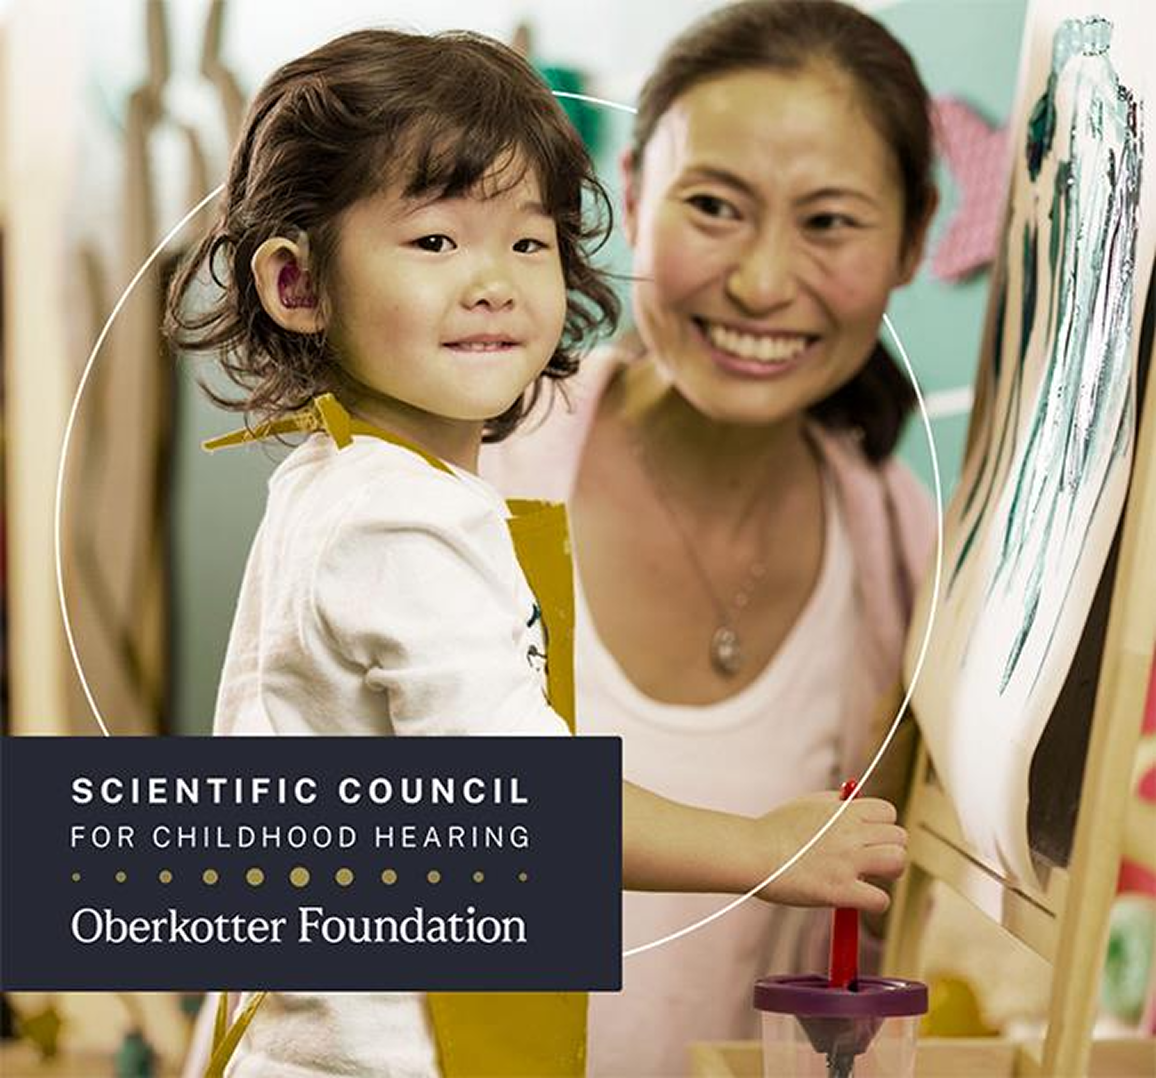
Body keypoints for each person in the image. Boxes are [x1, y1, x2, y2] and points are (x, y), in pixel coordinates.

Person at [167, 26, 907, 1078]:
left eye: (527, 242)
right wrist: (769, 847)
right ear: (298, 286)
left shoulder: (352, 483)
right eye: (434, 243)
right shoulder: (398, 521)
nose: (494, 282)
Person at [481, 2, 940, 1074]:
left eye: (829, 222)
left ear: (913, 238)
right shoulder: (458, 472)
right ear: (634, 194)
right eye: (716, 206)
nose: (762, 282)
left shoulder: (900, 548)